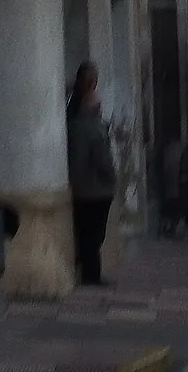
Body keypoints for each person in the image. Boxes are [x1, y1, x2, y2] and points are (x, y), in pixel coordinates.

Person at [65, 63, 117, 286]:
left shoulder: (73, 123)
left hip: (78, 188)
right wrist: (112, 178)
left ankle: (86, 268)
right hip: (97, 189)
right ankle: (91, 274)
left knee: (85, 231)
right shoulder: (95, 129)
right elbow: (103, 161)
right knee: (95, 234)